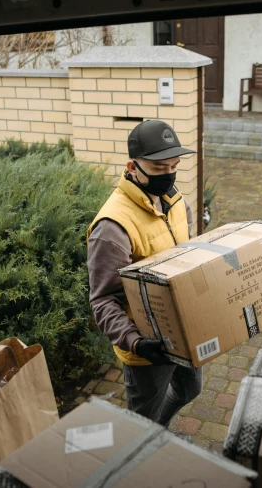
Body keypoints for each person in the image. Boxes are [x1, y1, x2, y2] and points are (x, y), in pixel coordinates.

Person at [86, 119, 202, 426]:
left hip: (185, 330)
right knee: (142, 421)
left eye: (174, 166)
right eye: (159, 168)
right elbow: (102, 301)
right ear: (132, 167)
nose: (169, 175)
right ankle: (141, 453)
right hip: (147, 348)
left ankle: (155, 437)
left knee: (191, 390)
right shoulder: (111, 227)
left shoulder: (176, 202)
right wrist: (136, 342)